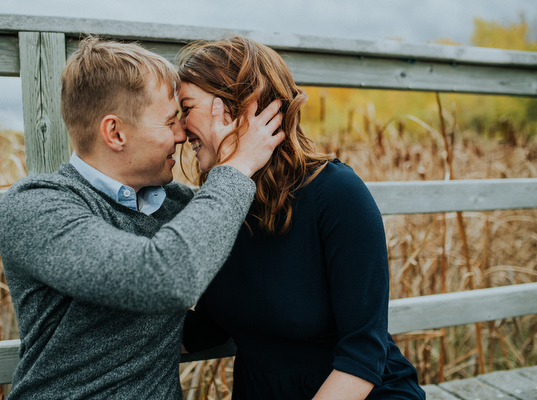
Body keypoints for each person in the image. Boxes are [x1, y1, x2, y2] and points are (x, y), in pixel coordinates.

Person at [0, 36, 284, 399]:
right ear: (115, 132)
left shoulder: (178, 204)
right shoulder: (35, 208)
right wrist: (238, 166)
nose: (181, 134)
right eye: (169, 122)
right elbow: (162, 279)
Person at [178, 35, 426, 399]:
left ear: (237, 107)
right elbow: (211, 326)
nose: (181, 131)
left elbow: (363, 353)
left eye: (186, 108)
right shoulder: (220, 206)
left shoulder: (337, 194)